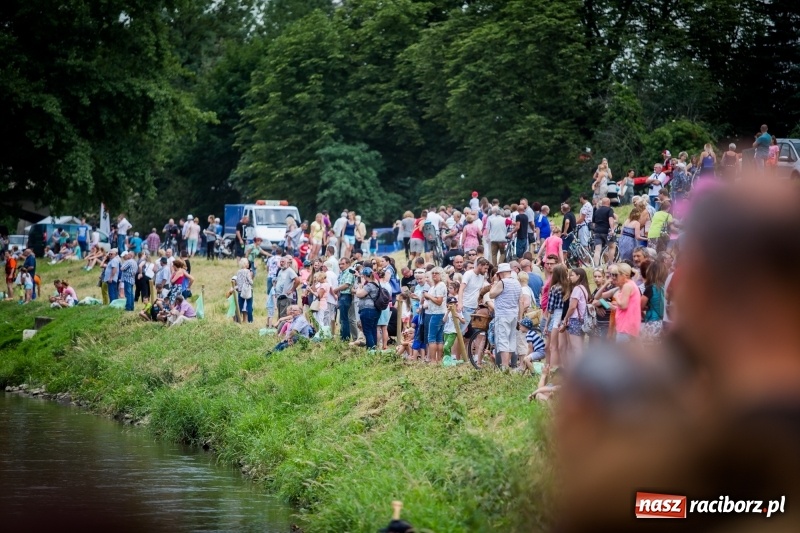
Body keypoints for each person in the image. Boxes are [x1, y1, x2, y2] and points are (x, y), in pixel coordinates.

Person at [489, 262, 522, 369]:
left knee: (502, 339)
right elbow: (520, 301)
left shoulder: (502, 282)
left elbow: (491, 294)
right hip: (514, 314)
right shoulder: (517, 283)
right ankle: (509, 363)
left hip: (503, 314)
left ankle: (504, 365)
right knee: (511, 338)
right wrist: (520, 317)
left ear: (500, 273)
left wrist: (494, 282)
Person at [560, 268, 590, 368]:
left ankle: (578, 370)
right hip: (581, 320)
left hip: (574, 320)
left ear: (578, 276)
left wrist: (566, 318)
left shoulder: (577, 289)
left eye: (572, 275)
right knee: (576, 347)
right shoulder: (584, 288)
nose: (570, 277)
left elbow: (572, 306)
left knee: (576, 348)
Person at [610, 263, 640, 342]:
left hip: (625, 326)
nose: (616, 277)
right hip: (630, 326)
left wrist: (616, 297)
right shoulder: (632, 284)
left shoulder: (627, 286)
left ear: (625, 275)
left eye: (617, 275)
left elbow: (623, 306)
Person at [354, 266, 380, 349]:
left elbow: (359, 294)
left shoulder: (369, 285)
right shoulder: (377, 284)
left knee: (367, 330)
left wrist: (359, 287)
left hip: (367, 310)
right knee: (373, 330)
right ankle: (374, 348)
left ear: (365, 276)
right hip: (376, 310)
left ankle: (371, 349)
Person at [591, 197, 617, 266]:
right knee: (612, 247)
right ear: (608, 203)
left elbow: (593, 223)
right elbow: (610, 219)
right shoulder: (609, 210)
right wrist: (612, 229)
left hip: (597, 232)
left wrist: (595, 230)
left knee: (597, 250)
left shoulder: (596, 211)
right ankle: (610, 263)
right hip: (606, 231)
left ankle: (596, 265)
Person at [235, 258, 254, 323]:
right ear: (245, 264)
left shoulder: (238, 271)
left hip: (240, 290)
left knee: (240, 305)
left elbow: (237, 281)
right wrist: (252, 282)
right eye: (247, 263)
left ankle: (237, 320)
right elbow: (250, 280)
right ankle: (250, 320)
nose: (248, 264)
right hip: (247, 290)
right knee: (249, 305)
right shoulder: (248, 271)